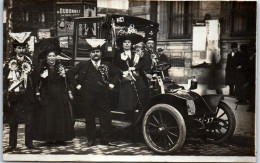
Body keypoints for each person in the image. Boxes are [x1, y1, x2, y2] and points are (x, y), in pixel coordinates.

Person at [67, 39, 120, 146]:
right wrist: (77, 86)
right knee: (89, 117)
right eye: (93, 52)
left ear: (101, 53)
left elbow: (117, 73)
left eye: (97, 52)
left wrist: (112, 84)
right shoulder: (83, 65)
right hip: (88, 96)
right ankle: (91, 140)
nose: (95, 54)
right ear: (89, 54)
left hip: (104, 95)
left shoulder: (107, 64)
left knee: (105, 117)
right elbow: (69, 74)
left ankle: (105, 140)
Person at [33, 40, 75, 144]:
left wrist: (64, 77)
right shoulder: (41, 68)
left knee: (60, 116)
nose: (52, 58)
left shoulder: (60, 67)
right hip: (47, 94)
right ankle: (49, 138)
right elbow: (36, 82)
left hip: (59, 95)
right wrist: (41, 79)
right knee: (48, 116)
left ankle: (60, 138)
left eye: (53, 56)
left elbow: (65, 82)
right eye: (50, 56)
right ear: (46, 58)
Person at [3, 32, 36, 152]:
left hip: (27, 95)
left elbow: (34, 78)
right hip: (15, 95)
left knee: (29, 120)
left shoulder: (30, 61)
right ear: (15, 49)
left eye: (23, 47)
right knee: (13, 120)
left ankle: (29, 143)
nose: (21, 50)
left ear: (25, 48)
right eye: (18, 48)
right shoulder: (9, 63)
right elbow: (5, 79)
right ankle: (12, 144)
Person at [113, 29, 149, 116]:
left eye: (128, 42)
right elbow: (114, 65)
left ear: (131, 44)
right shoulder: (118, 53)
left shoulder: (135, 53)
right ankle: (128, 108)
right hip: (122, 75)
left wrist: (135, 67)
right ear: (122, 44)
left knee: (142, 85)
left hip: (134, 74)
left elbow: (142, 63)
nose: (127, 44)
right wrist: (123, 72)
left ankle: (141, 106)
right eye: (125, 42)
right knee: (128, 85)